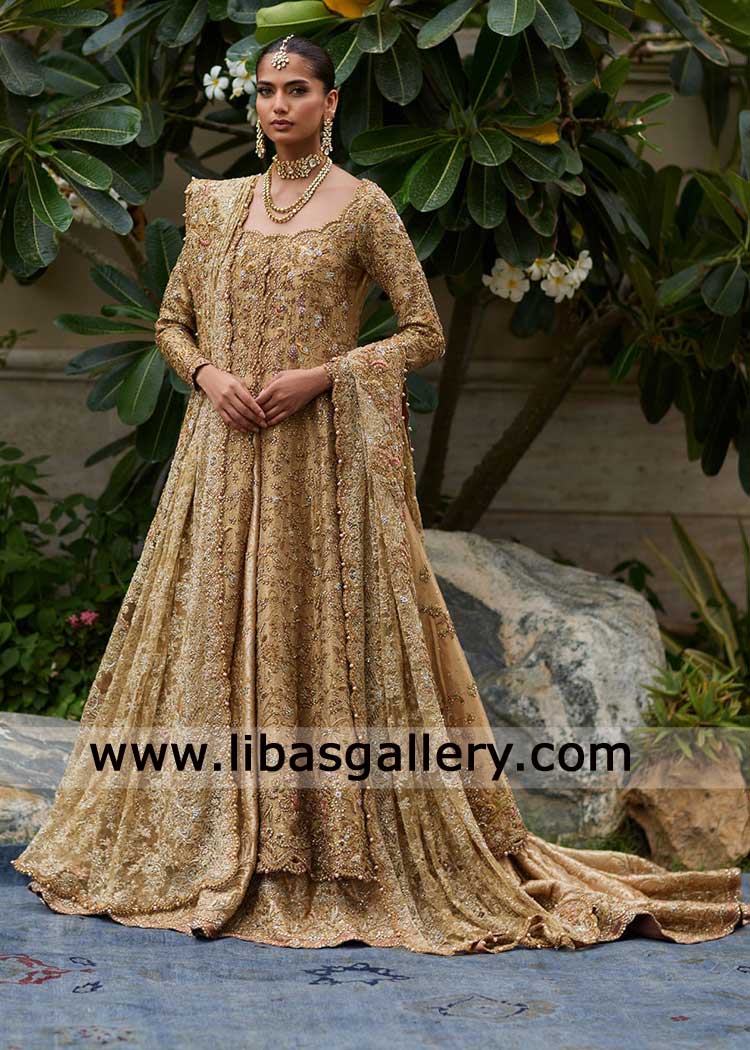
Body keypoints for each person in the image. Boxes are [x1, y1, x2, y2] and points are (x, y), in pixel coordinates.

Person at [12, 34, 749, 956]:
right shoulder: (217, 205)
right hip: (223, 455)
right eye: (267, 91)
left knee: (316, 631)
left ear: (330, 103)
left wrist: (326, 375)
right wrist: (207, 376)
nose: (279, 105)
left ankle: (317, 846)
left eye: (297, 90)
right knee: (211, 635)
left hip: (320, 464)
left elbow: (422, 331)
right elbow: (170, 322)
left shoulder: (363, 207)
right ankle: (214, 841)